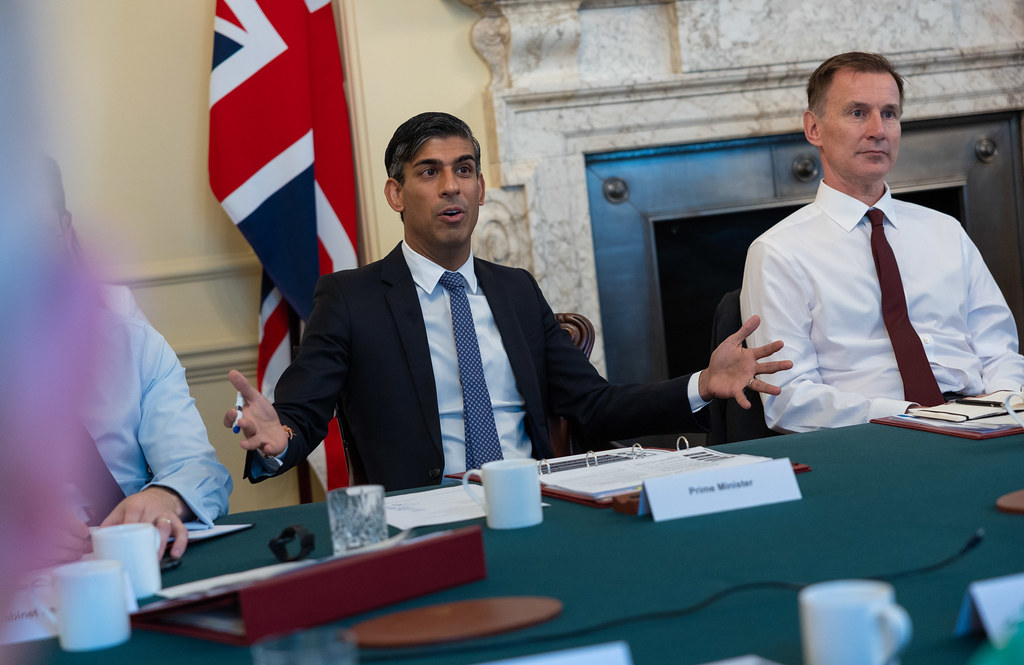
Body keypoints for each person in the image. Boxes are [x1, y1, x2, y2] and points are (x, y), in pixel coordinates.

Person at [226, 112, 791, 491]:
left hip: (537, 499)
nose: (452, 186)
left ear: (479, 189)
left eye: (464, 170)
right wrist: (279, 441)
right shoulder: (351, 298)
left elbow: (594, 405)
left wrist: (701, 383)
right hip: (426, 515)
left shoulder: (515, 290)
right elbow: (299, 416)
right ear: (396, 194)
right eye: (430, 172)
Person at [740, 52, 1024, 433]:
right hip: (877, 433)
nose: (879, 129)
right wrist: (914, 415)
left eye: (889, 113)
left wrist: (998, 408)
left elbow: (998, 351)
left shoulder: (945, 230)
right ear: (814, 129)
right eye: (858, 112)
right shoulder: (777, 252)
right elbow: (788, 399)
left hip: (983, 422)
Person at [44, 157, 232, 560]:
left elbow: (201, 471)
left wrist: (167, 496)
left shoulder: (133, 344)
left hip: (136, 560)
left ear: (62, 227)